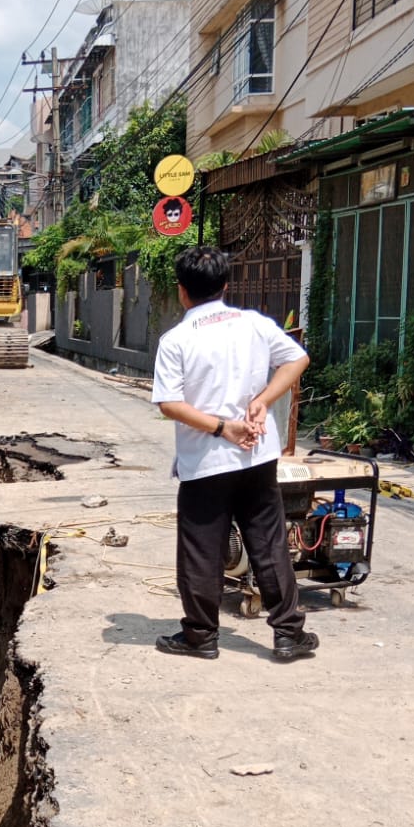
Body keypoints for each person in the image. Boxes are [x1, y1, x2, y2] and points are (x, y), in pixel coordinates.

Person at [150, 245, 317, 662]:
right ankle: (289, 634)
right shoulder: (254, 325)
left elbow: (169, 404)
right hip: (257, 456)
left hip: (206, 464)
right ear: (225, 286)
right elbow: (297, 359)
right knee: (269, 542)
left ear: (182, 292)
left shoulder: (177, 340)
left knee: (201, 550)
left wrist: (224, 428)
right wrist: (263, 400)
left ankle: (201, 635)